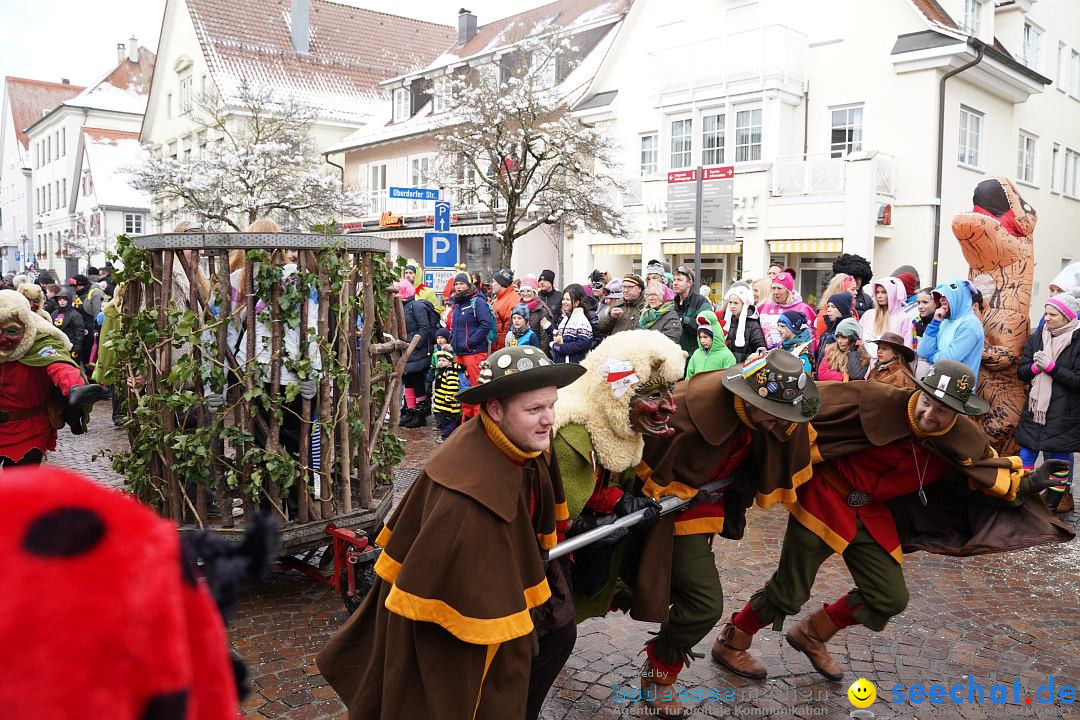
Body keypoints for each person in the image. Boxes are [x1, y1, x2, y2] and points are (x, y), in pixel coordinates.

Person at [715, 361, 1073, 682]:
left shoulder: (959, 438)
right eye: (927, 400)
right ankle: (733, 639)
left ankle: (812, 634)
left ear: (959, 413)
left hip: (871, 513)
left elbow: (982, 473)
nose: (930, 413)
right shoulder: (872, 399)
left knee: (888, 596)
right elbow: (804, 405)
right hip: (826, 497)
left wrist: (1033, 481)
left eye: (943, 410)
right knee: (790, 591)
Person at [317, 345, 585, 720]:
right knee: (473, 693)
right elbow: (467, 613)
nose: (548, 420)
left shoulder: (525, 444)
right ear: (494, 409)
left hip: (507, 587)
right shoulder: (468, 498)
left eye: (551, 405)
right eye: (534, 410)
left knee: (558, 633)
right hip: (455, 627)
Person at [637, 349, 820, 714]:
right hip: (671, 511)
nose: (782, 423)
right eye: (776, 415)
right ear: (751, 399)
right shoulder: (689, 405)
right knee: (705, 604)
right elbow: (648, 458)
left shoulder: (767, 414)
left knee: (687, 594)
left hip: (707, 508)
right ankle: (659, 672)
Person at [553, 330, 682, 617]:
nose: (670, 406)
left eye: (669, 392)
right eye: (656, 395)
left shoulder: (619, 426)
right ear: (618, 397)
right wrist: (580, 526)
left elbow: (599, 482)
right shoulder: (572, 431)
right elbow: (557, 508)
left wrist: (619, 500)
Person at [0, 290, 108, 466]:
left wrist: (75, 387)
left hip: (27, 431)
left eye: (11, 330)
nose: (2, 339)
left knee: (20, 489)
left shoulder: (41, 344)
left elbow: (61, 367)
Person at [1016, 293, 1080, 514]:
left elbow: (1077, 380)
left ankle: (1050, 507)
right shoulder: (1038, 337)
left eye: (1052, 314)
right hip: (1035, 409)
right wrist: (1034, 368)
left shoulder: (1077, 340)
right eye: (1046, 313)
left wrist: (1051, 367)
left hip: (1064, 413)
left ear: (1067, 316)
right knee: (1025, 456)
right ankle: (1021, 501)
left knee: (1059, 460)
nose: (1047, 318)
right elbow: (1021, 372)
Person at [916, 279, 985, 383]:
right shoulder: (944, 321)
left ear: (958, 297)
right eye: (940, 297)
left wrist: (930, 357)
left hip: (955, 391)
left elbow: (949, 360)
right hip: (935, 382)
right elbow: (922, 352)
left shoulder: (970, 324)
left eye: (946, 296)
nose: (941, 300)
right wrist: (935, 323)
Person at [448, 272, 495, 419]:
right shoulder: (457, 303)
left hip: (474, 353)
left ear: (469, 285)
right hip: (460, 353)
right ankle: (466, 426)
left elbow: (485, 324)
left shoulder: (477, 302)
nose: (458, 286)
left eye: (461, 283)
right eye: (456, 284)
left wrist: (470, 341)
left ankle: (478, 425)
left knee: (475, 392)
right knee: (463, 390)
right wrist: (452, 339)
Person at [398, 279, 435, 429]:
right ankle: (411, 411)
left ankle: (420, 413)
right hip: (407, 350)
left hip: (417, 350)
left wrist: (414, 345)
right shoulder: (402, 306)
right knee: (408, 381)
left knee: (417, 381)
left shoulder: (417, 306)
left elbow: (424, 327)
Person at [758, 272, 816, 350]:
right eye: (773, 288)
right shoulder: (766, 307)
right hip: (769, 355)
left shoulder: (803, 308)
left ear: (788, 290)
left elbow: (810, 338)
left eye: (779, 288)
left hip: (792, 355)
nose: (775, 292)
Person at [858, 277, 912, 357]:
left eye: (884, 292)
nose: (879, 296)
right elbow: (859, 338)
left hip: (891, 365)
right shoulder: (868, 315)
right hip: (865, 363)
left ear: (893, 293)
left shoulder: (903, 318)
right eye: (877, 292)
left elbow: (907, 346)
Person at [672, 265, 710, 358]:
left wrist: (682, 320)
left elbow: (705, 328)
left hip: (694, 357)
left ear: (690, 282)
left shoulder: (700, 302)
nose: (675, 283)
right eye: (674, 280)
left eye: (680, 280)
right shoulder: (671, 303)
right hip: (674, 356)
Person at [548, 284, 593, 364]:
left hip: (574, 368)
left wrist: (558, 347)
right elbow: (560, 338)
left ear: (576, 303)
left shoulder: (581, 321)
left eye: (568, 299)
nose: (564, 302)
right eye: (563, 299)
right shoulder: (565, 319)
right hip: (562, 365)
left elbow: (582, 344)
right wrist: (548, 328)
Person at [685, 310, 736, 379]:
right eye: (700, 337)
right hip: (696, 389)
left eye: (705, 337)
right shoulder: (697, 354)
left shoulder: (727, 356)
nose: (702, 341)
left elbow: (729, 380)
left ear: (714, 336)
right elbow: (689, 377)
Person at [721, 285, 766, 363]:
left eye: (736, 303)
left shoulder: (752, 324)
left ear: (744, 304)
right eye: (730, 302)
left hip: (744, 367)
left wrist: (750, 357)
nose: (732, 306)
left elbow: (761, 349)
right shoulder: (725, 321)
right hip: (725, 366)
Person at [811, 273, 857, 348]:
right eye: (852, 289)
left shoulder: (853, 311)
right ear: (841, 290)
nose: (856, 292)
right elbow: (820, 343)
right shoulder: (825, 315)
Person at [816, 318, 868, 382]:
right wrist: (844, 376)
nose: (839, 341)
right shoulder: (831, 350)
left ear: (853, 339)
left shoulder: (863, 354)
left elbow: (856, 375)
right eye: (837, 337)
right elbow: (822, 373)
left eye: (844, 337)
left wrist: (853, 351)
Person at [430, 349, 465, 443]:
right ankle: (449, 435)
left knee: (449, 422)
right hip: (442, 405)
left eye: (443, 361)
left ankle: (446, 437)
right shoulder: (441, 371)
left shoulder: (450, 372)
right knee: (445, 421)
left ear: (449, 362)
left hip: (449, 405)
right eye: (439, 360)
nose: (440, 362)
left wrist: (448, 398)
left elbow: (453, 387)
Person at [71, 273, 105, 367]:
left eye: (75, 286)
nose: (74, 288)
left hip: (92, 329)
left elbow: (98, 314)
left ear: (82, 284)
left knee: (92, 355)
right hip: (82, 329)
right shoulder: (79, 294)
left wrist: (96, 330)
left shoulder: (95, 292)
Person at [518, 276, 553, 356]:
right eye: (522, 291)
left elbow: (545, 339)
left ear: (534, 292)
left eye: (528, 291)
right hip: (518, 352)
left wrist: (539, 356)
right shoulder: (517, 308)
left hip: (535, 353)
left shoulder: (542, 310)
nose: (525, 293)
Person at [814, 292, 855, 356]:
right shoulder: (827, 331)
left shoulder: (848, 332)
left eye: (833, 307)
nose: (829, 310)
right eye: (828, 306)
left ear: (842, 309)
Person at [489, 268, 521, 352]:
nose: (491, 284)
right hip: (495, 347)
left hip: (501, 350)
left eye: (493, 281)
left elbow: (508, 328)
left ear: (501, 283)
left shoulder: (512, 300)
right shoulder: (499, 299)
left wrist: (500, 350)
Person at [50, 287, 85, 360]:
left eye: (64, 300)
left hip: (71, 346)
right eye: (60, 299)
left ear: (68, 300)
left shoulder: (75, 314)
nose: (62, 301)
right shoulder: (54, 314)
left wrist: (77, 346)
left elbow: (79, 331)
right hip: (58, 345)